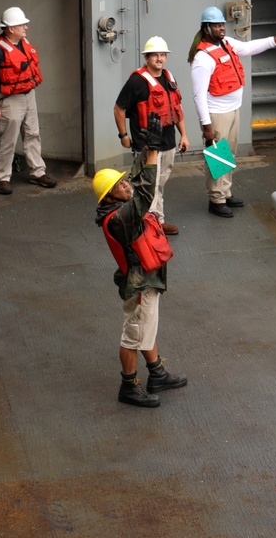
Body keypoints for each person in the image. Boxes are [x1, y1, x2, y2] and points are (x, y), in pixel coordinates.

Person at [93, 134, 187, 408]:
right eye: (119, 184)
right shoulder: (121, 218)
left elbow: (135, 179)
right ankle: (128, 386)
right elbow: (144, 192)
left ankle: (157, 373)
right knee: (133, 334)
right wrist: (154, 157)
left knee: (145, 328)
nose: (125, 184)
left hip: (146, 280)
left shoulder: (118, 203)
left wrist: (148, 148)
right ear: (110, 195)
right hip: (139, 287)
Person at [189, 5, 276, 218]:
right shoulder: (203, 59)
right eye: (216, 25)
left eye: (222, 25)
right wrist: (206, 125)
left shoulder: (227, 44)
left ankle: (225, 191)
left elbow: (249, 48)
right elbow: (198, 96)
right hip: (217, 115)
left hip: (233, 110)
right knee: (217, 156)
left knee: (228, 154)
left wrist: (274, 40)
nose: (221, 28)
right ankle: (216, 199)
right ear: (206, 29)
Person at [113, 37, 189, 236]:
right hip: (147, 145)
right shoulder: (136, 81)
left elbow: (177, 109)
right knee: (148, 185)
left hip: (168, 142)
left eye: (162, 55)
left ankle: (156, 221)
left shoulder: (169, 78)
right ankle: (149, 226)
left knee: (159, 185)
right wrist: (123, 135)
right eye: (155, 55)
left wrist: (184, 136)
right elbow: (119, 109)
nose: (159, 58)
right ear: (146, 57)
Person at [0, 6, 56, 194]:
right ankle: (3, 177)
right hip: (9, 100)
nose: (26, 27)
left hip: (29, 95)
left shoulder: (23, 43)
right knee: (8, 139)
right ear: (10, 28)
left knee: (33, 133)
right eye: (22, 24)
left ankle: (38, 172)